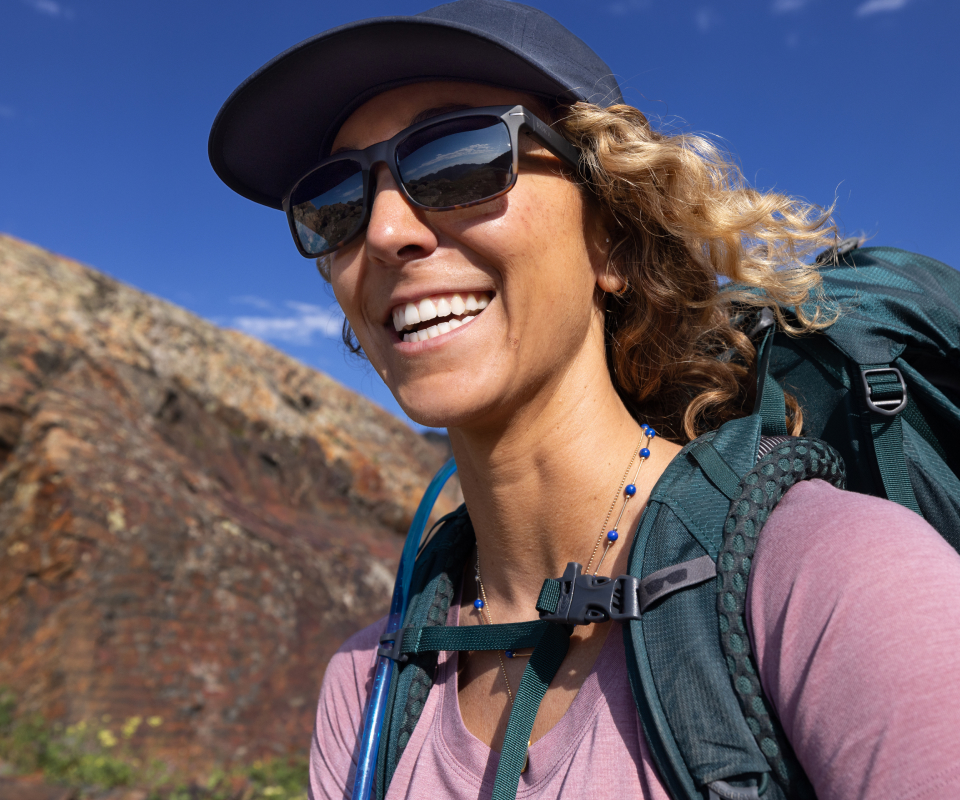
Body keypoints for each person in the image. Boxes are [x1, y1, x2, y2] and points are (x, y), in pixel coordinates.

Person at [208, 2, 960, 798]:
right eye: (336, 203)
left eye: (458, 157)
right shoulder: (366, 691)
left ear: (612, 240)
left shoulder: (832, 579)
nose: (387, 231)